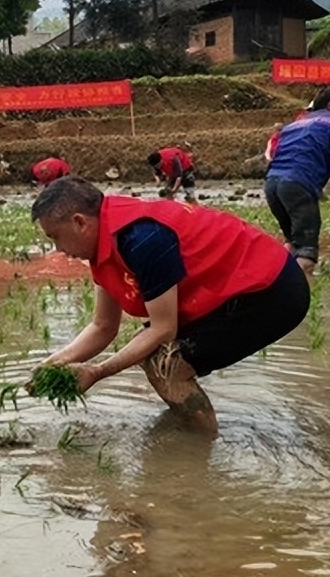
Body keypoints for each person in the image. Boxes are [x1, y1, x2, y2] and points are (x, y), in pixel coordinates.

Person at [31, 176, 310, 437]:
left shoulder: (141, 239)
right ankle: (188, 432)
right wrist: (49, 366)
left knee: (168, 364)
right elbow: (103, 327)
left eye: (55, 237)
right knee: (156, 357)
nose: (57, 250)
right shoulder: (104, 241)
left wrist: (97, 372)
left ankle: (195, 453)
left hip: (273, 289)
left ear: (79, 222)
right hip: (237, 286)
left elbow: (164, 329)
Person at [264, 87, 330, 276]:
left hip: (272, 184)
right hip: (297, 184)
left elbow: (277, 153)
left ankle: (276, 281)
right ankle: (299, 294)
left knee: (292, 242)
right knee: (307, 252)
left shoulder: (295, 124)